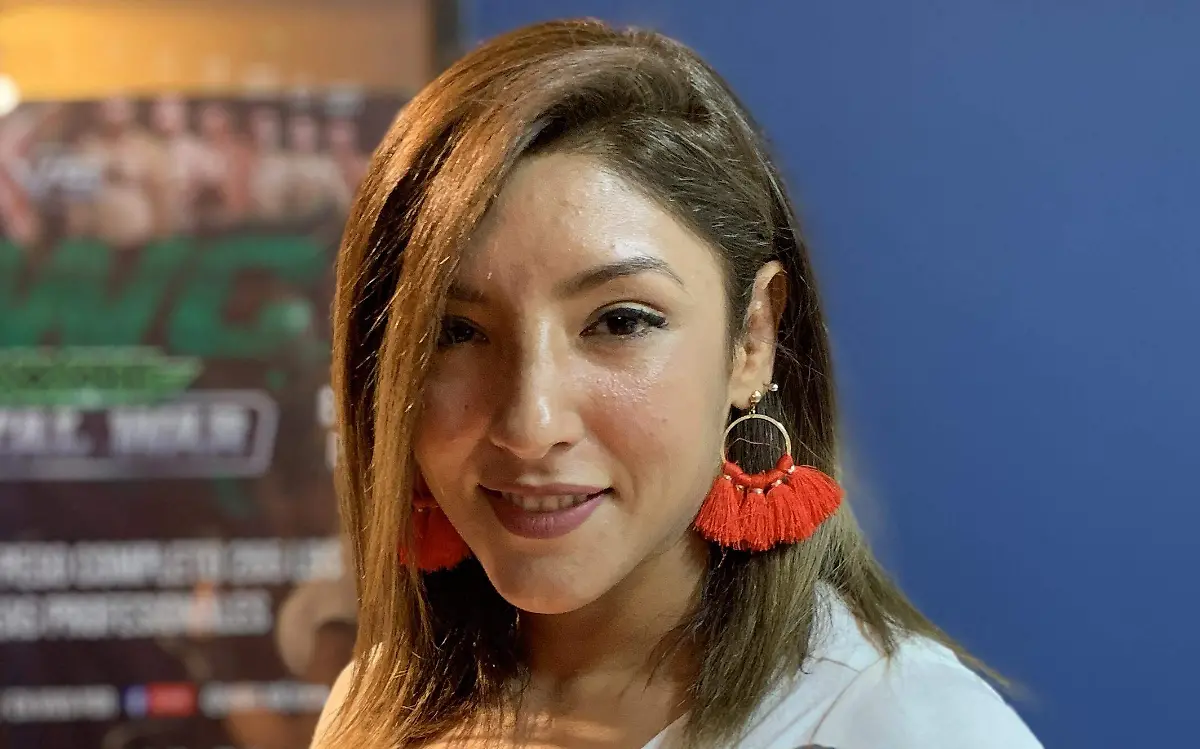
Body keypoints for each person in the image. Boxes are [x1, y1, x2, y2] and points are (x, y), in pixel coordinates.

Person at [312, 19, 1044, 749]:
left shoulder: (905, 725)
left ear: (752, 339)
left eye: (620, 321)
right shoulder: (374, 705)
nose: (530, 425)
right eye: (455, 332)